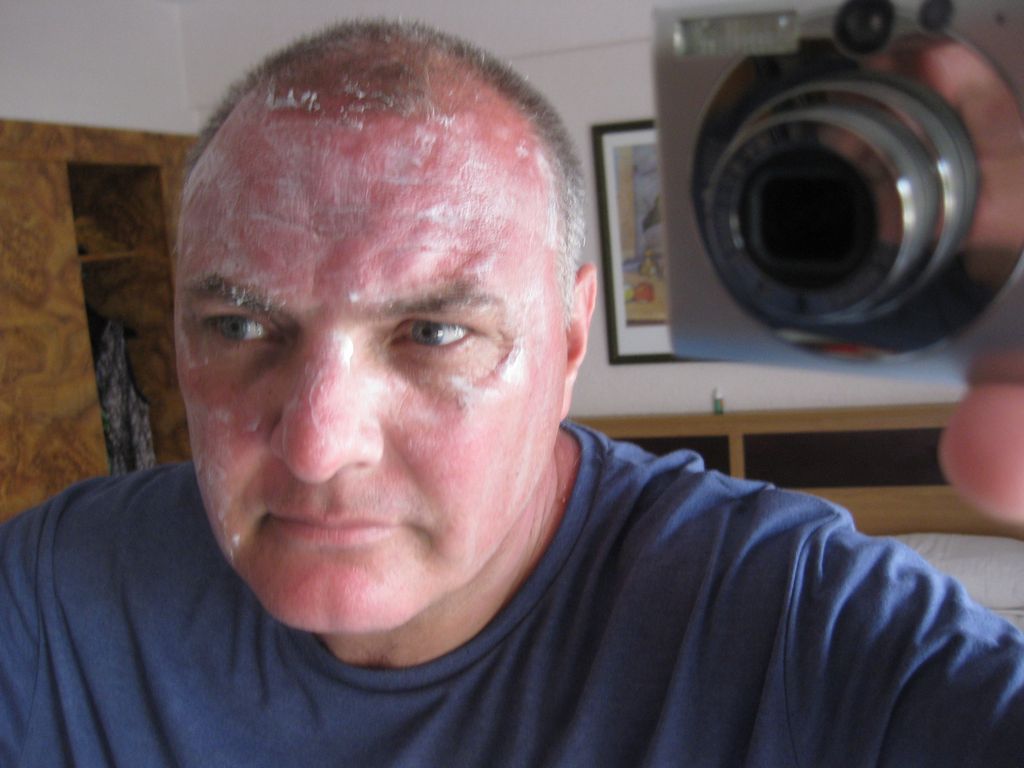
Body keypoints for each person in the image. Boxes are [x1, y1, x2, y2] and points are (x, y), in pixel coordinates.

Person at [2, 18, 1023, 767]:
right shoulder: (60, 595)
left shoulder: (790, 622)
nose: (316, 446)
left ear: (570, 338)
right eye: (238, 326)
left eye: (433, 333)